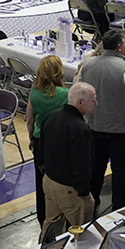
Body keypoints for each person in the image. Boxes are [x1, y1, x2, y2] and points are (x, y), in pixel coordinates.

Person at [78, 30, 125, 211]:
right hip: (122, 134)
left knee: (95, 173)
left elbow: (78, 93)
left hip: (94, 130)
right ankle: (119, 212)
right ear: (119, 47)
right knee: (121, 176)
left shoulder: (88, 64)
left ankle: (90, 209)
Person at [38, 82, 97, 236]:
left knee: (51, 228)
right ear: (81, 103)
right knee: (81, 232)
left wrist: (46, 171)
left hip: (50, 182)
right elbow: (82, 165)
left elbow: (40, 149)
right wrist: (83, 191)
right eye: (93, 100)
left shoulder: (52, 116)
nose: (96, 104)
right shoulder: (80, 128)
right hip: (69, 190)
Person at [24, 55, 70, 226]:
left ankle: (43, 216)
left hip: (40, 140)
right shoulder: (66, 94)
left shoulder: (34, 92)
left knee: (41, 181)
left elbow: (29, 121)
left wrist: (31, 139)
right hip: (60, 142)